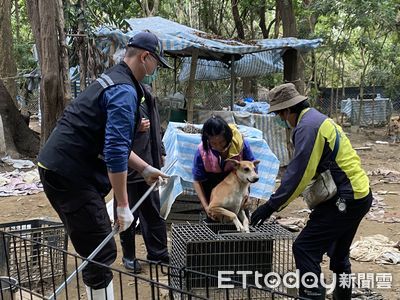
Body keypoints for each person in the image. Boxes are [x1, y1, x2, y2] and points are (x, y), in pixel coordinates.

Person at [38, 31, 171, 300]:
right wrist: (122, 204)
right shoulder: (123, 90)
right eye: (156, 62)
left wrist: (144, 168)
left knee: (95, 244)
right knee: (100, 248)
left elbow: (111, 143)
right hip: (69, 175)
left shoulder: (114, 79)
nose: (156, 69)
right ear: (145, 57)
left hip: (61, 167)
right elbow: (114, 150)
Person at [251, 83, 372, 300]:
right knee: (339, 253)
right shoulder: (317, 118)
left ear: (288, 110)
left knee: (305, 248)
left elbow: (300, 173)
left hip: (345, 197)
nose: (281, 120)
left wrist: (271, 205)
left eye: (280, 114)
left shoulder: (307, 127)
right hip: (359, 193)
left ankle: (312, 295)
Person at [117, 84, 169, 274]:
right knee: (128, 215)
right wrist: (134, 126)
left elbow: (156, 127)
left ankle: (158, 252)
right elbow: (111, 132)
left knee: (153, 212)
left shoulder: (147, 94)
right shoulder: (121, 94)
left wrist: (160, 151)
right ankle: (128, 256)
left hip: (150, 162)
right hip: (128, 169)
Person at [192, 116, 256, 218]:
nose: (218, 146)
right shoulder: (202, 152)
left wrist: (246, 193)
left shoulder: (241, 145)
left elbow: (251, 168)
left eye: (222, 142)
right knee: (214, 222)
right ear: (207, 140)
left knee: (242, 220)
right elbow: (197, 181)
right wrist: (206, 206)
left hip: (238, 187)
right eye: (213, 143)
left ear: (227, 136)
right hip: (213, 187)